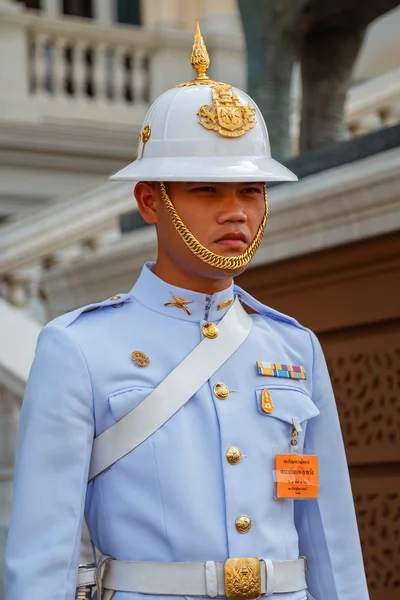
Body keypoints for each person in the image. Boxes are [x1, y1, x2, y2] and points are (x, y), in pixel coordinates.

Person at [4, 22, 369, 600]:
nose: (235, 213)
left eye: (250, 192)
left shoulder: (293, 348)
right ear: (150, 201)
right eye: (207, 191)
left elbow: (331, 542)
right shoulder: (78, 348)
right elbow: (42, 556)